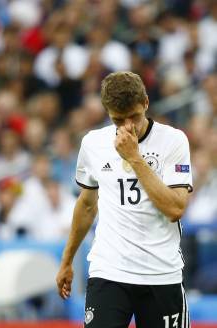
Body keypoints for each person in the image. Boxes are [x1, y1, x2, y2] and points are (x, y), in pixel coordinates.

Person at [56, 71, 193, 328]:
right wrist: (67, 260)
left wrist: (134, 158)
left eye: (135, 117)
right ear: (107, 113)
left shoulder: (173, 141)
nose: (128, 126)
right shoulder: (93, 144)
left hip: (161, 273)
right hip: (109, 271)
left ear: (146, 103)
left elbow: (175, 208)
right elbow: (86, 205)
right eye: (118, 120)